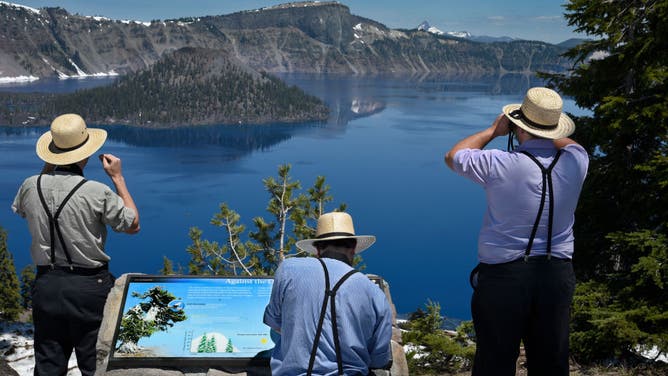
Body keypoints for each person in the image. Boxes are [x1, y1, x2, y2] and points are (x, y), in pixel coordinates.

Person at [444, 87, 589, 376]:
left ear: (518, 126)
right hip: (556, 276)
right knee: (551, 362)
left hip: (504, 278)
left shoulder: (501, 163)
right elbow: (569, 144)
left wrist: (494, 130)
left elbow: (454, 155)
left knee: (494, 361)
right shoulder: (577, 161)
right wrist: (546, 127)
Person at [12, 113, 140, 376]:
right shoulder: (96, 191)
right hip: (89, 288)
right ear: (85, 154)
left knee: (48, 365)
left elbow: (22, 209)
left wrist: (49, 166)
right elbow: (132, 225)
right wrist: (118, 178)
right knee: (95, 364)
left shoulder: (29, 185)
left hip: (47, 286)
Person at [263, 211, 393, 376]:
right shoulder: (375, 294)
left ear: (317, 249)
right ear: (353, 249)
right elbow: (379, 359)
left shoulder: (288, 269)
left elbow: (274, 322)